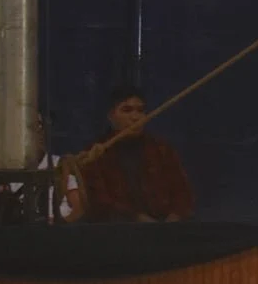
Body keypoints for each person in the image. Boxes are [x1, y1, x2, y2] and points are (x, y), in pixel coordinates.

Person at [78, 86, 195, 223]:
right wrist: (136, 219)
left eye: (140, 110)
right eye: (127, 110)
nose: (135, 117)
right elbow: (99, 202)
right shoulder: (96, 154)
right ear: (111, 116)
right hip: (118, 234)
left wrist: (174, 218)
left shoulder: (161, 149)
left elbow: (183, 192)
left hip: (166, 231)